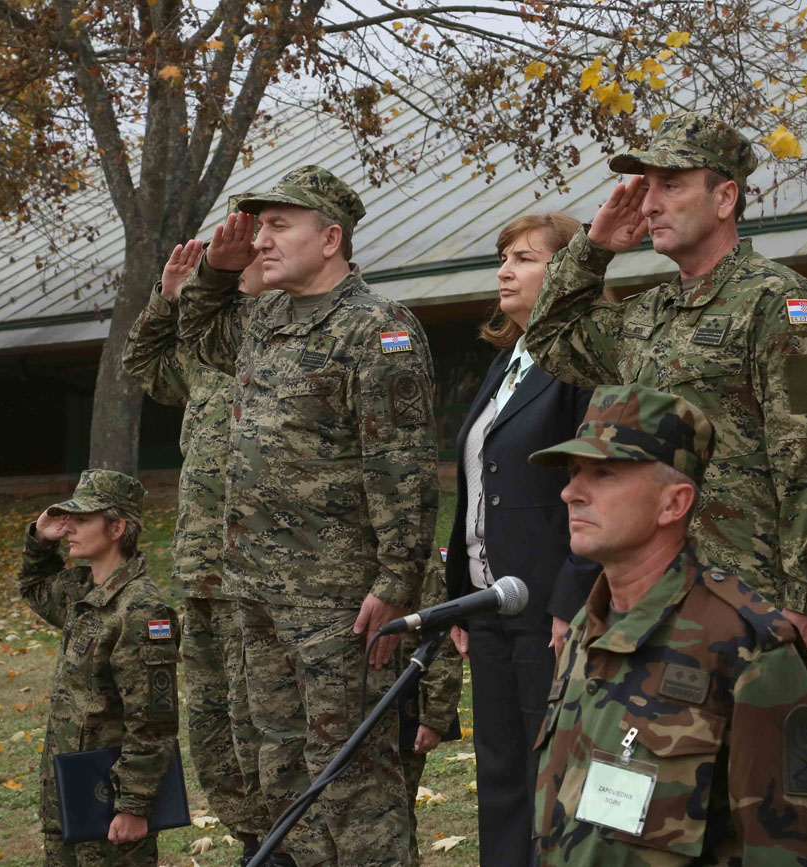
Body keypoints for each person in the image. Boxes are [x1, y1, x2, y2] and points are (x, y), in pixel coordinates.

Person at [176, 165, 439, 867]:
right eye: (259, 226)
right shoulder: (265, 319)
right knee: (283, 768)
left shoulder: (377, 329)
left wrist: (397, 582)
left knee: (352, 777)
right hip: (258, 592)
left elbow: (403, 466)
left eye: (277, 225)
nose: (261, 240)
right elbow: (196, 337)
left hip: (338, 602)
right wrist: (215, 271)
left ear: (330, 239)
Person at [524, 111, 807, 655]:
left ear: (724, 199)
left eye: (670, 186)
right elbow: (550, 337)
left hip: (742, 594)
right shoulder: (647, 313)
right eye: (646, 188)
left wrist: (806, 600)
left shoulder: (780, 303)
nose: (649, 204)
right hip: (647, 588)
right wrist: (593, 248)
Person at [528, 385, 807, 865]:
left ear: (674, 504)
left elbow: (789, 849)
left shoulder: (749, 647)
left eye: (603, 473)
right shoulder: (587, 625)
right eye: (573, 473)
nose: (570, 492)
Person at [444, 212, 602, 866]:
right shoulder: (506, 363)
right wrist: (461, 596)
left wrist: (571, 598)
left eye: (524, 258)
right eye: (503, 257)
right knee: (500, 770)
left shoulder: (582, 362)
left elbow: (596, 484)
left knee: (553, 769)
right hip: (491, 605)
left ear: (566, 272)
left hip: (548, 610)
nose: (505, 271)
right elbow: (475, 482)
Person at [121, 207, 274, 866]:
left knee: (257, 721)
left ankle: (283, 839)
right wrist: (167, 299)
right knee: (211, 728)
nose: (248, 259)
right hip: (201, 574)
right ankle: (253, 840)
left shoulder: (286, 340)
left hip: (259, 577)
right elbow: (140, 363)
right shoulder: (206, 356)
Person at [20, 470, 182, 867]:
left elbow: (152, 722)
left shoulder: (141, 610)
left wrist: (134, 805)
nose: (70, 528)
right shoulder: (85, 591)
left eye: (82, 519)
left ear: (117, 528)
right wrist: (41, 539)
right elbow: (35, 586)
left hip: (108, 802)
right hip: (70, 795)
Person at [397, 554, 463, 863]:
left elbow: (442, 638)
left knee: (392, 818)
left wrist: (435, 716)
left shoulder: (412, 549)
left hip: (400, 711)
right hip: (337, 711)